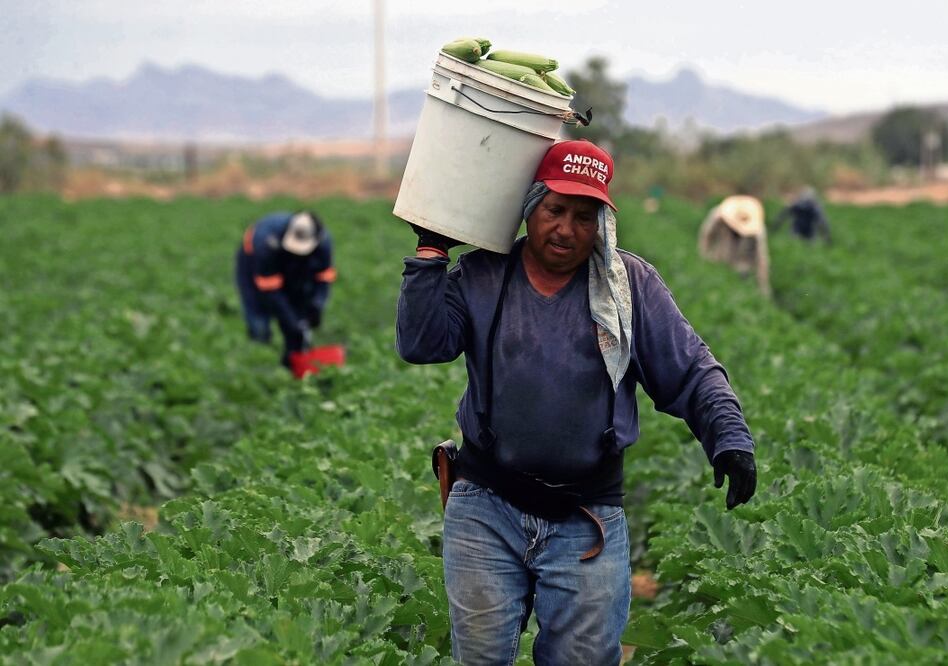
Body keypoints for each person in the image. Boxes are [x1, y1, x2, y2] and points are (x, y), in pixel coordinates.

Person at [396, 140, 757, 665]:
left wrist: (729, 438)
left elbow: (692, 370)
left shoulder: (629, 287)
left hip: (587, 518)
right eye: (555, 210)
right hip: (486, 508)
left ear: (602, 223)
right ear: (530, 207)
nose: (566, 229)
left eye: (584, 216)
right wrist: (430, 254)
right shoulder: (485, 275)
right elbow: (422, 343)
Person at [235, 210, 336, 368]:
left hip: (293, 264)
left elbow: (324, 278)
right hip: (253, 263)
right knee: (258, 316)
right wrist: (290, 320)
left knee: (298, 307)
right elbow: (269, 291)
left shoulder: (323, 242)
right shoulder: (266, 242)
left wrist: (316, 305)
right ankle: (260, 358)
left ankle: (293, 360)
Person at [698, 194, 771, 297]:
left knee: (736, 290)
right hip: (720, 258)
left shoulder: (757, 230)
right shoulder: (718, 216)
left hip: (741, 265)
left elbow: (762, 258)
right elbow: (706, 235)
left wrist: (763, 287)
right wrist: (704, 256)